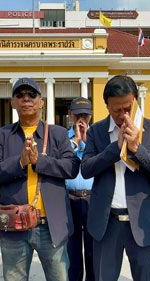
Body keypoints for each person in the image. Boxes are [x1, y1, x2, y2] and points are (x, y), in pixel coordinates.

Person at [0, 77, 80, 281]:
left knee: (59, 277)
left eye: (31, 95)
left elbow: (72, 167)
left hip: (50, 225)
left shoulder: (57, 134)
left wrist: (39, 162)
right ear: (13, 102)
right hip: (15, 225)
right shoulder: (3, 135)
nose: (26, 99)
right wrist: (19, 163)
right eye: (20, 95)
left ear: (41, 101)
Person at [81, 75, 150, 281]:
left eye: (127, 108)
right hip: (106, 224)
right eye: (116, 110)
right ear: (107, 106)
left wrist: (137, 149)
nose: (123, 115)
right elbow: (86, 169)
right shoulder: (96, 131)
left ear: (136, 100)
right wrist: (114, 149)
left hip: (143, 223)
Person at [66, 97, 95, 281]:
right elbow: (61, 161)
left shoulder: (96, 137)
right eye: (77, 115)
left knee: (93, 250)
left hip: (92, 198)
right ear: (70, 115)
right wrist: (76, 141)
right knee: (72, 250)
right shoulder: (63, 138)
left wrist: (86, 141)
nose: (81, 120)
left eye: (85, 115)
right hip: (69, 198)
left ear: (91, 116)